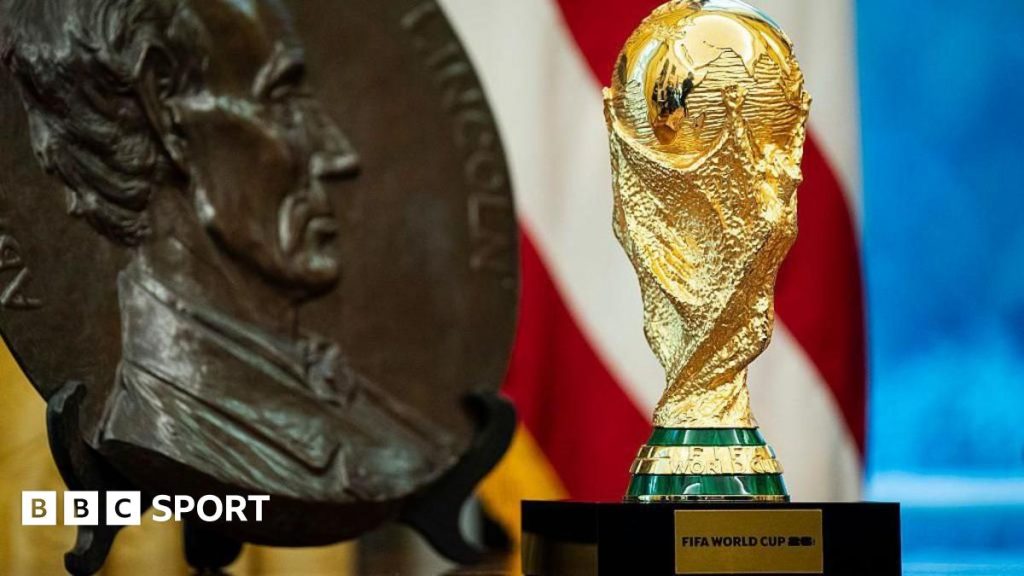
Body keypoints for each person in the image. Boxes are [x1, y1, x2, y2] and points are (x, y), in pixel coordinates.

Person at [1, 0, 454, 502]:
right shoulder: (166, 429)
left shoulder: (365, 412)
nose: (339, 154)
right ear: (164, 110)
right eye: (284, 96)